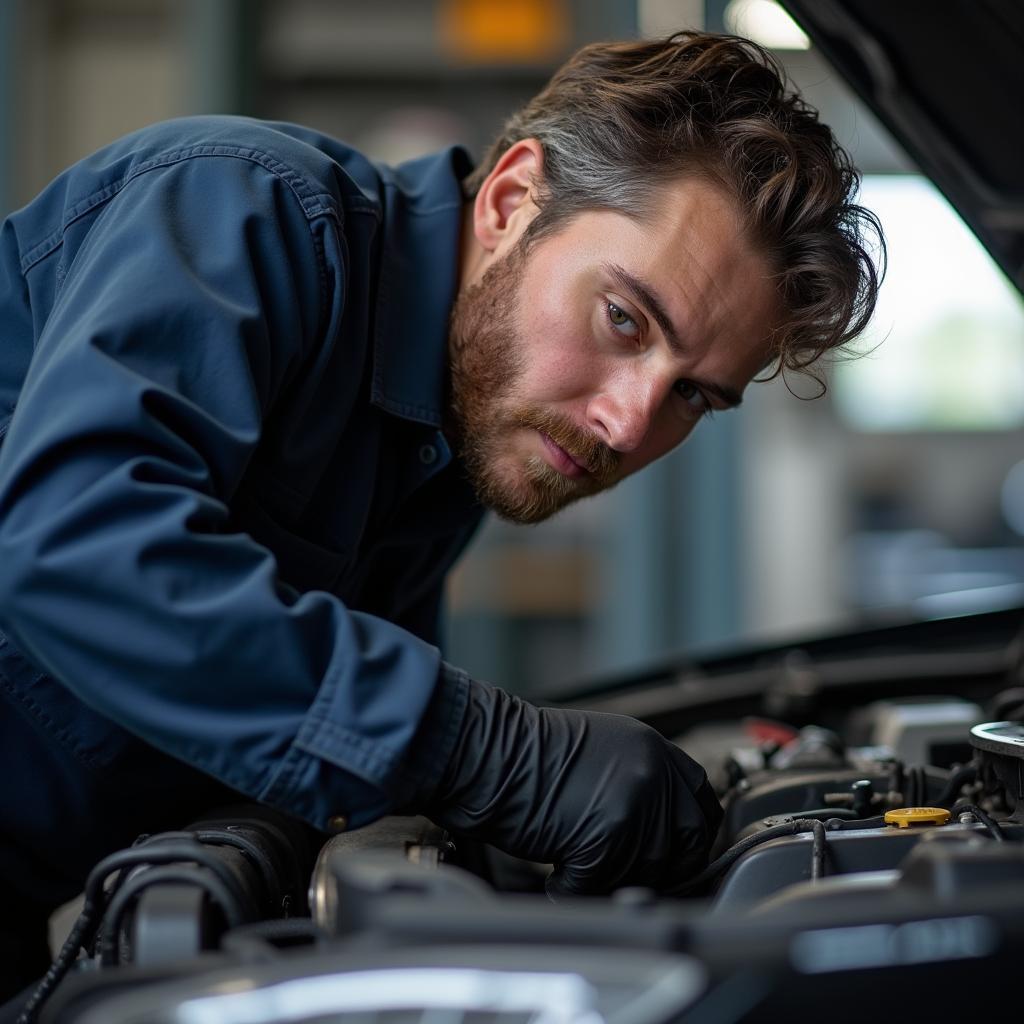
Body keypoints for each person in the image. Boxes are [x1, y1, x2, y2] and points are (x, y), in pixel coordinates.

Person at [0, 31, 881, 997]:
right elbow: (76, 546)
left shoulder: (450, 434)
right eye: (624, 319)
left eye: (694, 397)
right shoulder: (246, 208)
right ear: (512, 202)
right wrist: (491, 754)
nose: (629, 424)